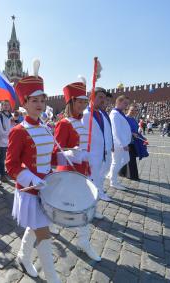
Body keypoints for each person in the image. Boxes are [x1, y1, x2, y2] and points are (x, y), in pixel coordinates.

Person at [6, 63, 61, 282]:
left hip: (46, 188)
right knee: (44, 236)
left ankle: (22, 256)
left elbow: (50, 156)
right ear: (25, 103)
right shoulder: (18, 131)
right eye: (34, 100)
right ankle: (53, 277)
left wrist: (72, 155)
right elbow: (11, 164)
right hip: (30, 190)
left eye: (42, 100)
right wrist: (32, 179)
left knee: (36, 226)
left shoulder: (47, 127)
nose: (39, 104)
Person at [53, 80, 101, 261]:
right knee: (60, 202)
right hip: (68, 171)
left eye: (84, 101)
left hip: (83, 170)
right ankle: (51, 224)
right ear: (71, 102)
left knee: (85, 206)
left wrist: (87, 158)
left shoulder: (84, 122)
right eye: (79, 101)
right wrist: (72, 154)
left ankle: (83, 241)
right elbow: (56, 151)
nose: (82, 105)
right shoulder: (64, 124)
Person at [81, 89, 113, 201]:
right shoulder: (85, 115)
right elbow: (82, 138)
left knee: (99, 178)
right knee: (90, 182)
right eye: (100, 97)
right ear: (91, 97)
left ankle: (98, 196)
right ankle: (90, 204)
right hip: (92, 155)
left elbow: (106, 133)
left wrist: (108, 147)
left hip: (103, 153)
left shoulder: (101, 114)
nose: (103, 100)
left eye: (104, 98)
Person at [108, 95, 131, 190]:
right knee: (116, 162)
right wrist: (123, 144)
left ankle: (111, 175)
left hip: (122, 143)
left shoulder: (119, 113)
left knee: (125, 159)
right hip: (118, 143)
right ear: (118, 102)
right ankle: (113, 181)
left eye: (127, 104)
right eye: (125, 103)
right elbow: (116, 131)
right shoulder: (114, 114)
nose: (126, 106)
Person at [0, 100, 13, 183]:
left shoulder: (10, 116)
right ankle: (2, 175)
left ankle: (7, 171)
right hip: (2, 141)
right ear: (1, 106)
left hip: (11, 141)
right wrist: (10, 134)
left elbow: (13, 127)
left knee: (9, 158)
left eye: (7, 105)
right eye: (4, 105)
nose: (6, 106)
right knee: (2, 159)